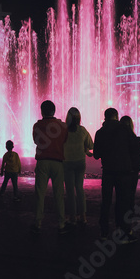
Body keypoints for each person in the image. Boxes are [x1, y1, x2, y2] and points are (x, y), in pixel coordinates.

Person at [94, 108, 140, 243]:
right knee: (122, 203)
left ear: (105, 117)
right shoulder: (124, 129)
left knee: (106, 202)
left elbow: (96, 155)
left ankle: (104, 232)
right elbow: (135, 145)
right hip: (124, 173)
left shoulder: (100, 132)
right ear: (116, 116)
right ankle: (122, 232)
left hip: (108, 172)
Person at [31, 100, 70, 234]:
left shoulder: (37, 125)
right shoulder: (62, 126)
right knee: (59, 194)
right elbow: (65, 141)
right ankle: (61, 224)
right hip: (58, 162)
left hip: (42, 162)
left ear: (42, 111)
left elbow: (35, 140)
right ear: (54, 111)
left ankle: (38, 222)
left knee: (40, 194)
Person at [63, 107, 94, 225]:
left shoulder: (63, 131)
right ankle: (83, 216)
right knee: (80, 188)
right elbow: (90, 145)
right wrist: (86, 151)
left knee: (70, 190)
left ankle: (72, 217)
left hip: (67, 162)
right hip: (80, 162)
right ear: (79, 118)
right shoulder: (82, 130)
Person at [119, 115, 140, 215]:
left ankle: (121, 214)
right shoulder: (138, 141)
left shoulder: (119, 142)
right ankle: (129, 213)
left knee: (121, 194)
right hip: (133, 171)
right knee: (131, 193)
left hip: (121, 171)